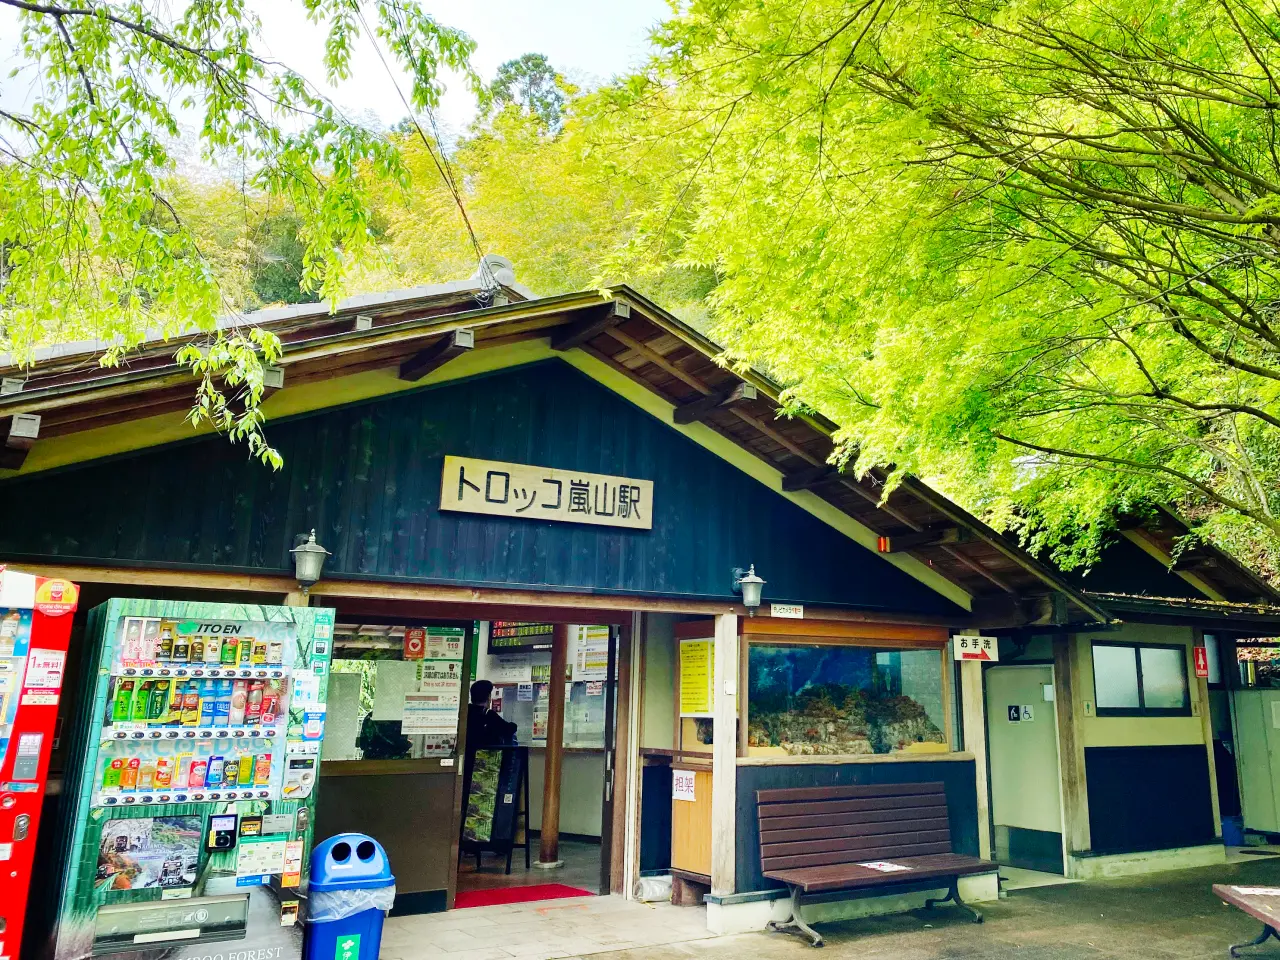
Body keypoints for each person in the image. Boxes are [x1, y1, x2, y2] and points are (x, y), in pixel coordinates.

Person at [466, 680, 517, 749]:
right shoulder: (488, 714)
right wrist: (513, 725)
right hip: (485, 756)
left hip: (467, 754)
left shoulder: (466, 712)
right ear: (488, 697)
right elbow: (509, 729)